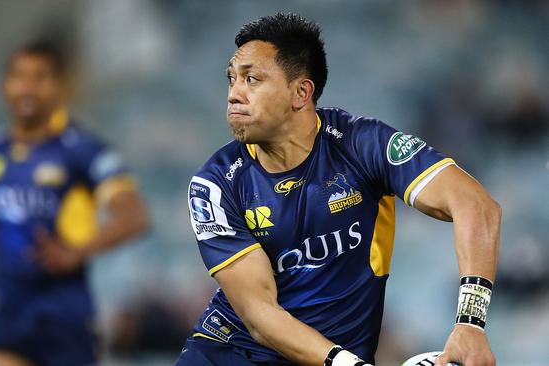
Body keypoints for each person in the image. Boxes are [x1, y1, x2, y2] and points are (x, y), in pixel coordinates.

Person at [176, 13, 500, 366]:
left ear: (301, 92)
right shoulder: (216, 183)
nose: (234, 94)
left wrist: (470, 322)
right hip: (231, 355)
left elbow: (475, 205)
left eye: (251, 79)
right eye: (232, 79)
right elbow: (259, 315)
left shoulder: (362, 144)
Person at [0, 41, 150, 366]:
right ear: (5, 84)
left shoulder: (83, 149)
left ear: (58, 86)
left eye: (40, 77)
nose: (27, 87)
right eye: (19, 76)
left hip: (63, 316)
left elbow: (134, 217)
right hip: (5, 311)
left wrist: (76, 253)